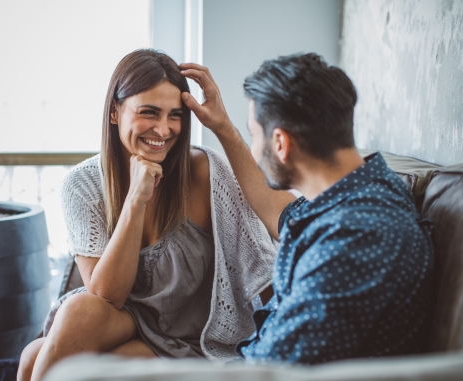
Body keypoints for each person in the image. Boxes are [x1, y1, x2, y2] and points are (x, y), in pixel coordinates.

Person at [16, 49, 277, 381]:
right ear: (114, 111)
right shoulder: (82, 185)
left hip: (190, 340)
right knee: (40, 349)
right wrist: (136, 199)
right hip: (123, 321)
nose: (163, 129)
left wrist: (222, 125)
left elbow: (267, 249)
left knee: (54, 366)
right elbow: (106, 296)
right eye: (148, 112)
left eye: (175, 116)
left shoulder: (203, 172)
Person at [179, 53, 434, 364]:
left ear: (281, 144)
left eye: (254, 135)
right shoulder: (361, 193)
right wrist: (223, 127)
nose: (256, 150)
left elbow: (271, 373)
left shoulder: (356, 239)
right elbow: (280, 214)